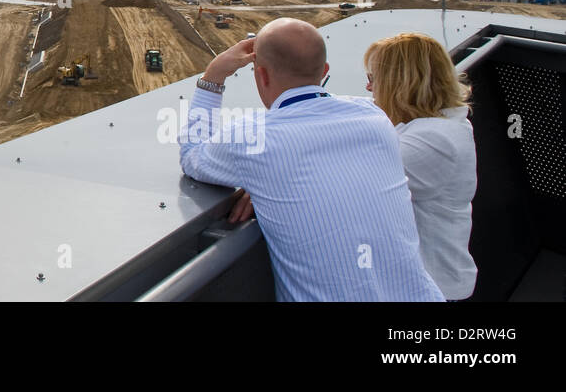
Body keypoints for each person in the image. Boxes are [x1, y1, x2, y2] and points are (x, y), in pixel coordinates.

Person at [178, 17, 443, 301]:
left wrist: (213, 77)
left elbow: (192, 153)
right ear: (325, 71)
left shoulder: (254, 137)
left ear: (261, 76)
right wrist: (274, 182)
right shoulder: (374, 116)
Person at [364, 32, 477, 301]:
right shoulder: (439, 123)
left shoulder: (433, 140)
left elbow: (353, 180)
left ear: (400, 84)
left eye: (373, 79)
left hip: (432, 289)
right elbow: (359, 106)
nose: (368, 88)